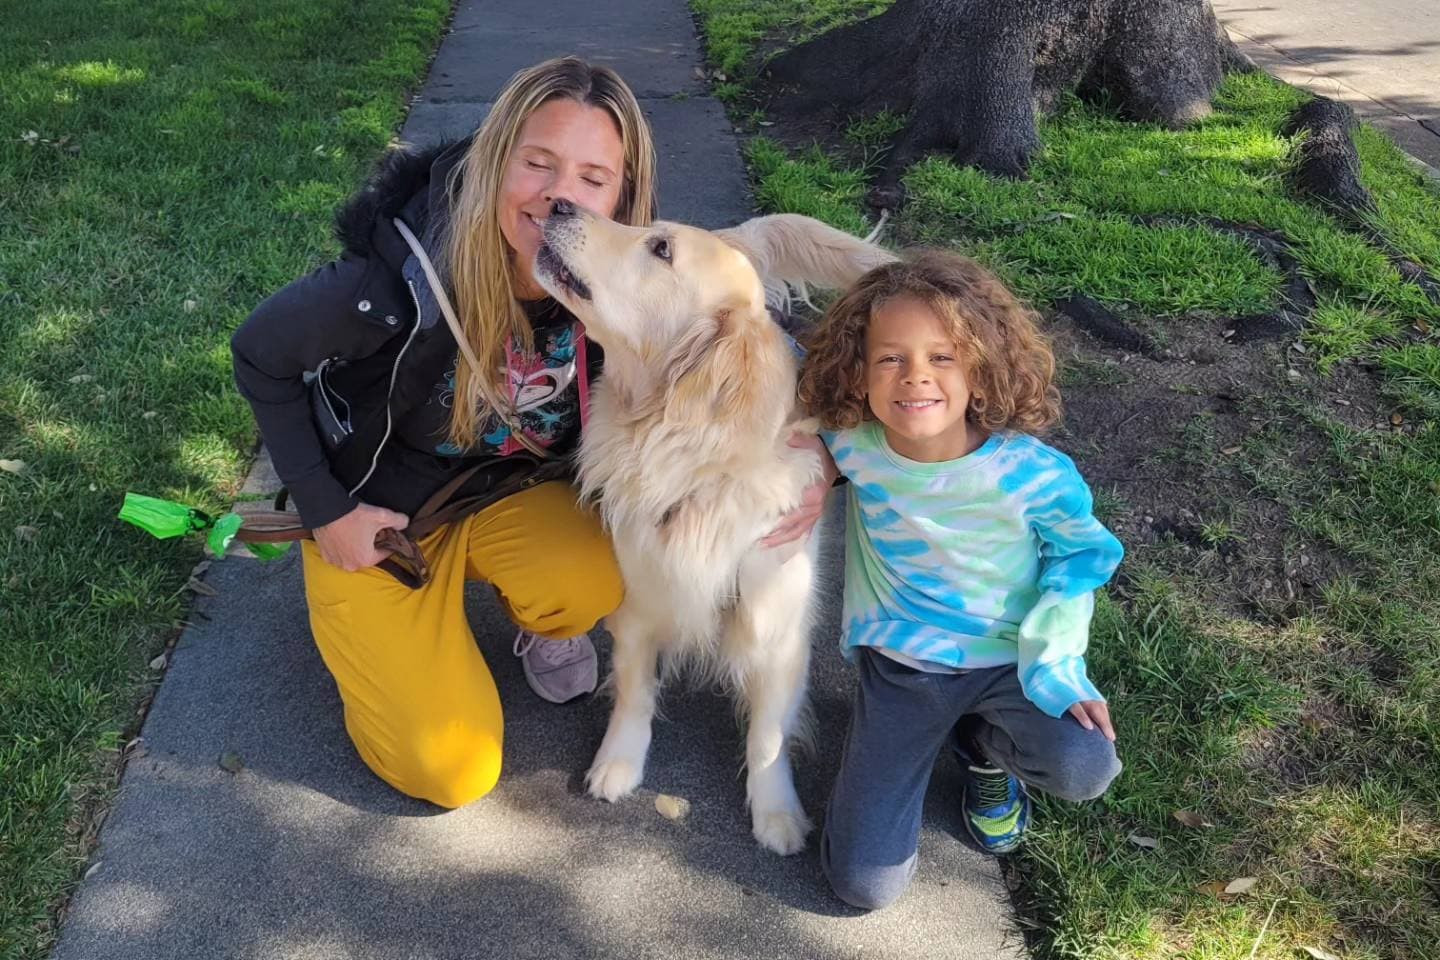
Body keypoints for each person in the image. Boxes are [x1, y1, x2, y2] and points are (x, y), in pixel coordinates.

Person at [230, 57, 828, 809]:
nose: (559, 196)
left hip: (503, 503)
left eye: (591, 176)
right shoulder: (392, 286)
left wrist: (823, 461)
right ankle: (389, 637)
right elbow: (258, 353)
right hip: (377, 521)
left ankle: (539, 620)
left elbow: (767, 359)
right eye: (536, 163)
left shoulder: (618, 284)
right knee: (452, 773)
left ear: (623, 195)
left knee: (597, 578)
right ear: (493, 162)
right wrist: (326, 511)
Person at [795, 250, 1124, 909]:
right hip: (902, 673)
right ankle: (918, 737)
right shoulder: (853, 444)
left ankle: (981, 748)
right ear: (858, 373)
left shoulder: (1033, 474)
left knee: (1086, 766)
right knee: (862, 887)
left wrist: (1060, 664)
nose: (915, 378)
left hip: (1010, 663)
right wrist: (810, 476)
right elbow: (800, 432)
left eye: (942, 357)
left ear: (980, 369)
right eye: (890, 358)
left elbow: (1083, 557)